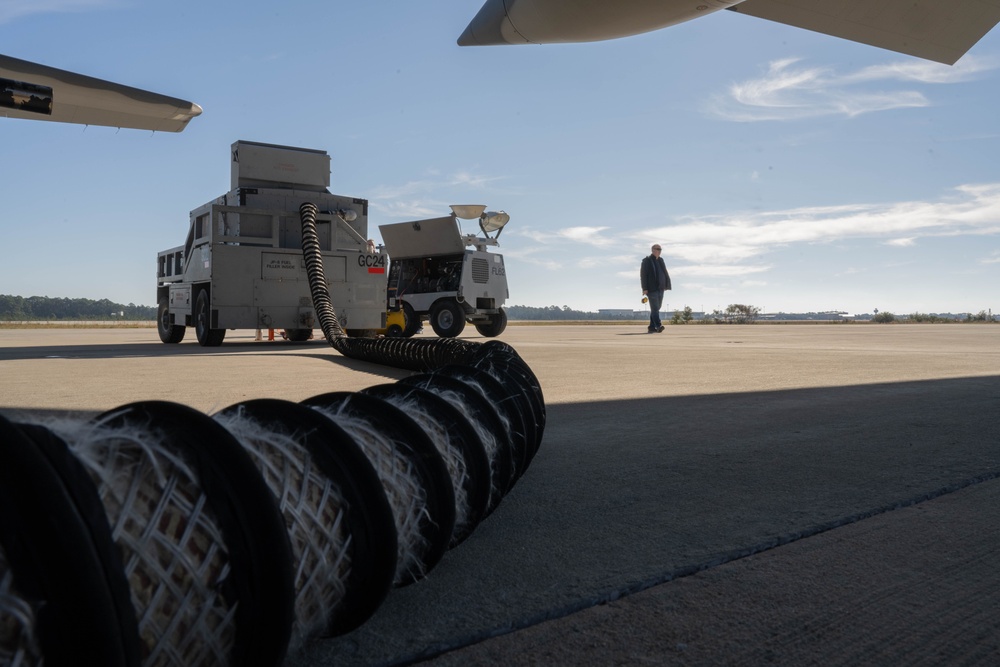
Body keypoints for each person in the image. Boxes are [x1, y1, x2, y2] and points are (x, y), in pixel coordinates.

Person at [640, 243, 671, 333]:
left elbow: (665, 273)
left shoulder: (661, 260)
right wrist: (644, 288)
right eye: (658, 249)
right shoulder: (647, 261)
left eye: (660, 249)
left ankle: (651, 327)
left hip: (661, 288)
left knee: (657, 308)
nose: (659, 251)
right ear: (653, 250)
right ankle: (658, 325)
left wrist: (666, 284)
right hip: (651, 288)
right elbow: (643, 275)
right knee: (655, 308)